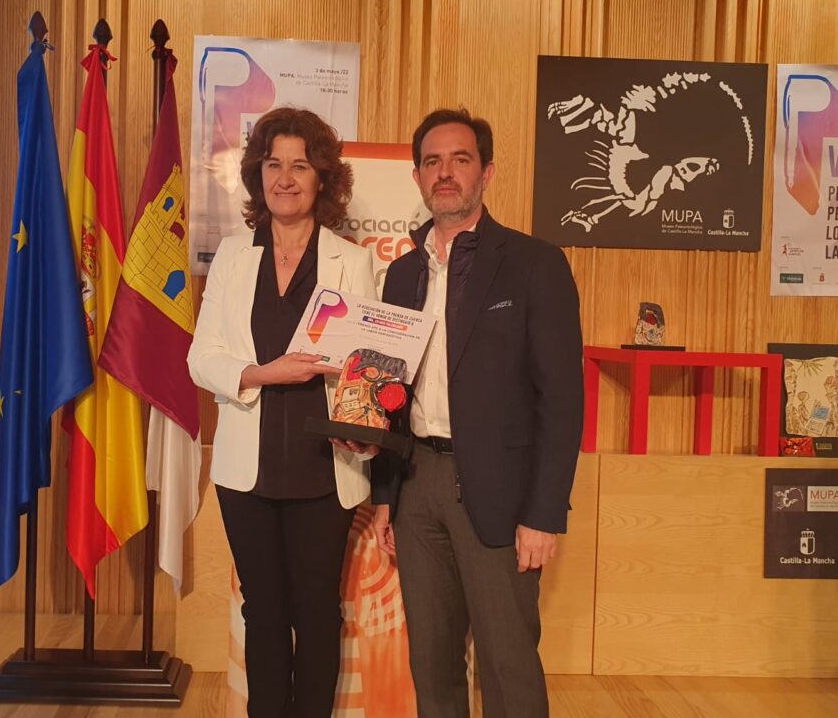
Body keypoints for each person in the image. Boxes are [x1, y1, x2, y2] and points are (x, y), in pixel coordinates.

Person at [371, 108, 584, 717]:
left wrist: (543, 514)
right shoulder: (401, 274)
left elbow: (563, 400)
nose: (446, 173)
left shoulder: (535, 263)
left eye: (460, 160)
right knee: (432, 664)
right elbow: (389, 392)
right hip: (417, 488)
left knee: (508, 665)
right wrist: (385, 494)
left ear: (485, 173)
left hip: (501, 493)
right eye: (432, 162)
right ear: (417, 176)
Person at [187, 107, 377, 717]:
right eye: (274, 164)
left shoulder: (353, 261)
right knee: (263, 613)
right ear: (257, 174)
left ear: (323, 178)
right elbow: (201, 358)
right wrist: (266, 373)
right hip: (247, 474)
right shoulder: (232, 256)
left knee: (317, 614)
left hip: (325, 472)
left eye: (300, 165)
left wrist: (367, 430)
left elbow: (369, 369)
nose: (286, 178)